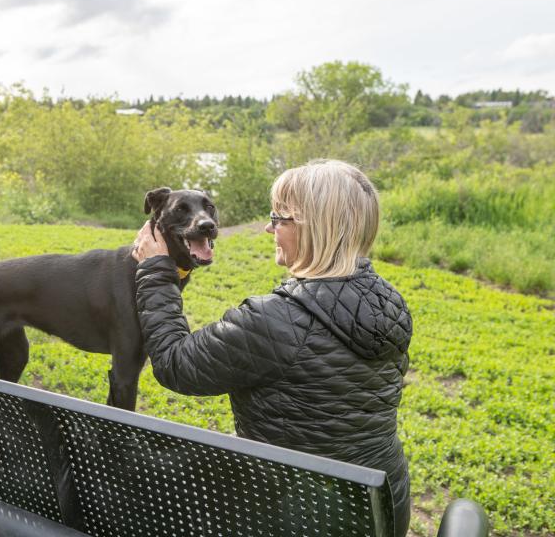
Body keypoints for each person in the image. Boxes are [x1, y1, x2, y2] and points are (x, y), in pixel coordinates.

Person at [132, 159, 411, 537]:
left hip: (292, 517)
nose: (268, 227)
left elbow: (173, 363)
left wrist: (156, 270)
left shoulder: (274, 320)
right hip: (382, 511)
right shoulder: (390, 304)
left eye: (279, 218)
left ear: (316, 228)